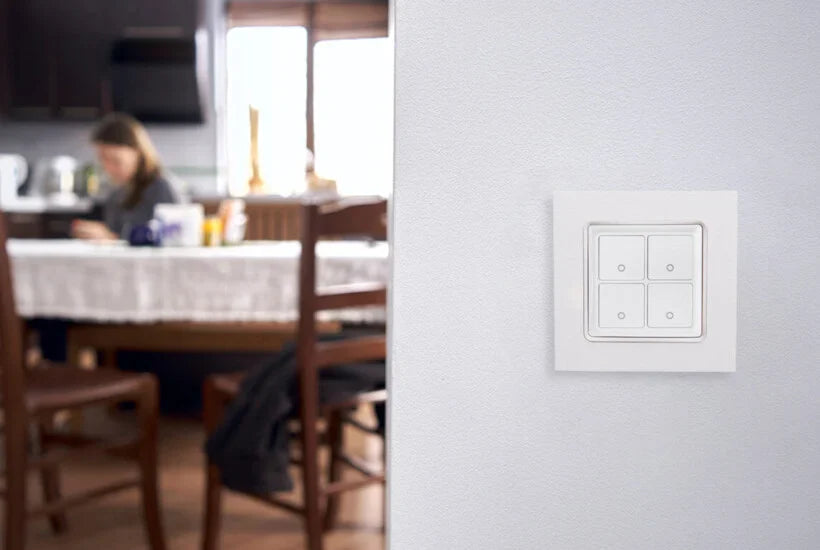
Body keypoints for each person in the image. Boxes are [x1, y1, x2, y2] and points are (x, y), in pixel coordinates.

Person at [72, 113, 179, 240]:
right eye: (103, 160)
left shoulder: (162, 188)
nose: (108, 168)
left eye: (116, 160)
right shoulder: (116, 194)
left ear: (138, 153)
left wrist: (111, 238)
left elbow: (172, 237)